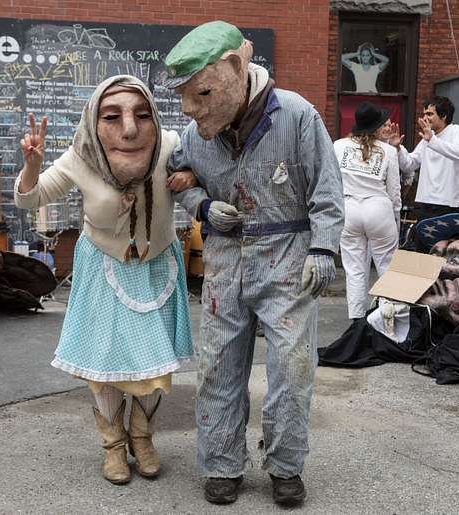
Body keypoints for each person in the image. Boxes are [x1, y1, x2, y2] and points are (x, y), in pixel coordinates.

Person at [164, 21, 344, 506]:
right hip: (226, 259)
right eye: (183, 97)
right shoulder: (195, 133)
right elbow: (177, 175)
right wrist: (201, 206)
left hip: (287, 256)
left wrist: (324, 248)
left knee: (291, 366)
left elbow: (328, 190)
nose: (189, 109)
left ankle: (286, 466)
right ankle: (222, 465)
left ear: (235, 67)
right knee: (218, 366)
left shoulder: (298, 117)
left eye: (200, 94)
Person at [14, 75, 196, 485]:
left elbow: (208, 170)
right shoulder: (81, 157)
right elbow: (29, 199)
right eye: (112, 116)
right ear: (94, 120)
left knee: (155, 364)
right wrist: (32, 166)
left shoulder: (170, 146)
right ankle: (113, 446)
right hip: (104, 267)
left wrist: (192, 179)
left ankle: (142, 437)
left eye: (141, 115)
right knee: (104, 366)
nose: (129, 129)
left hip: (156, 267)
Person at [334, 102, 401, 320]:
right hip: (379, 209)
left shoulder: (338, 146)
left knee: (354, 271)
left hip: (348, 208)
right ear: (376, 128)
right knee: (387, 268)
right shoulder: (389, 152)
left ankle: (357, 324)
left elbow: (331, 182)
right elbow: (395, 193)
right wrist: (396, 221)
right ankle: (389, 321)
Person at [389, 96, 459, 248]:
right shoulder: (427, 138)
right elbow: (409, 164)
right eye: (424, 114)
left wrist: (432, 140)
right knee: (424, 250)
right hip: (426, 204)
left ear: (444, 116)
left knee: (445, 253)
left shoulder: (455, 130)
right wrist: (397, 149)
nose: (425, 118)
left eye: (430, 114)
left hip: (449, 205)